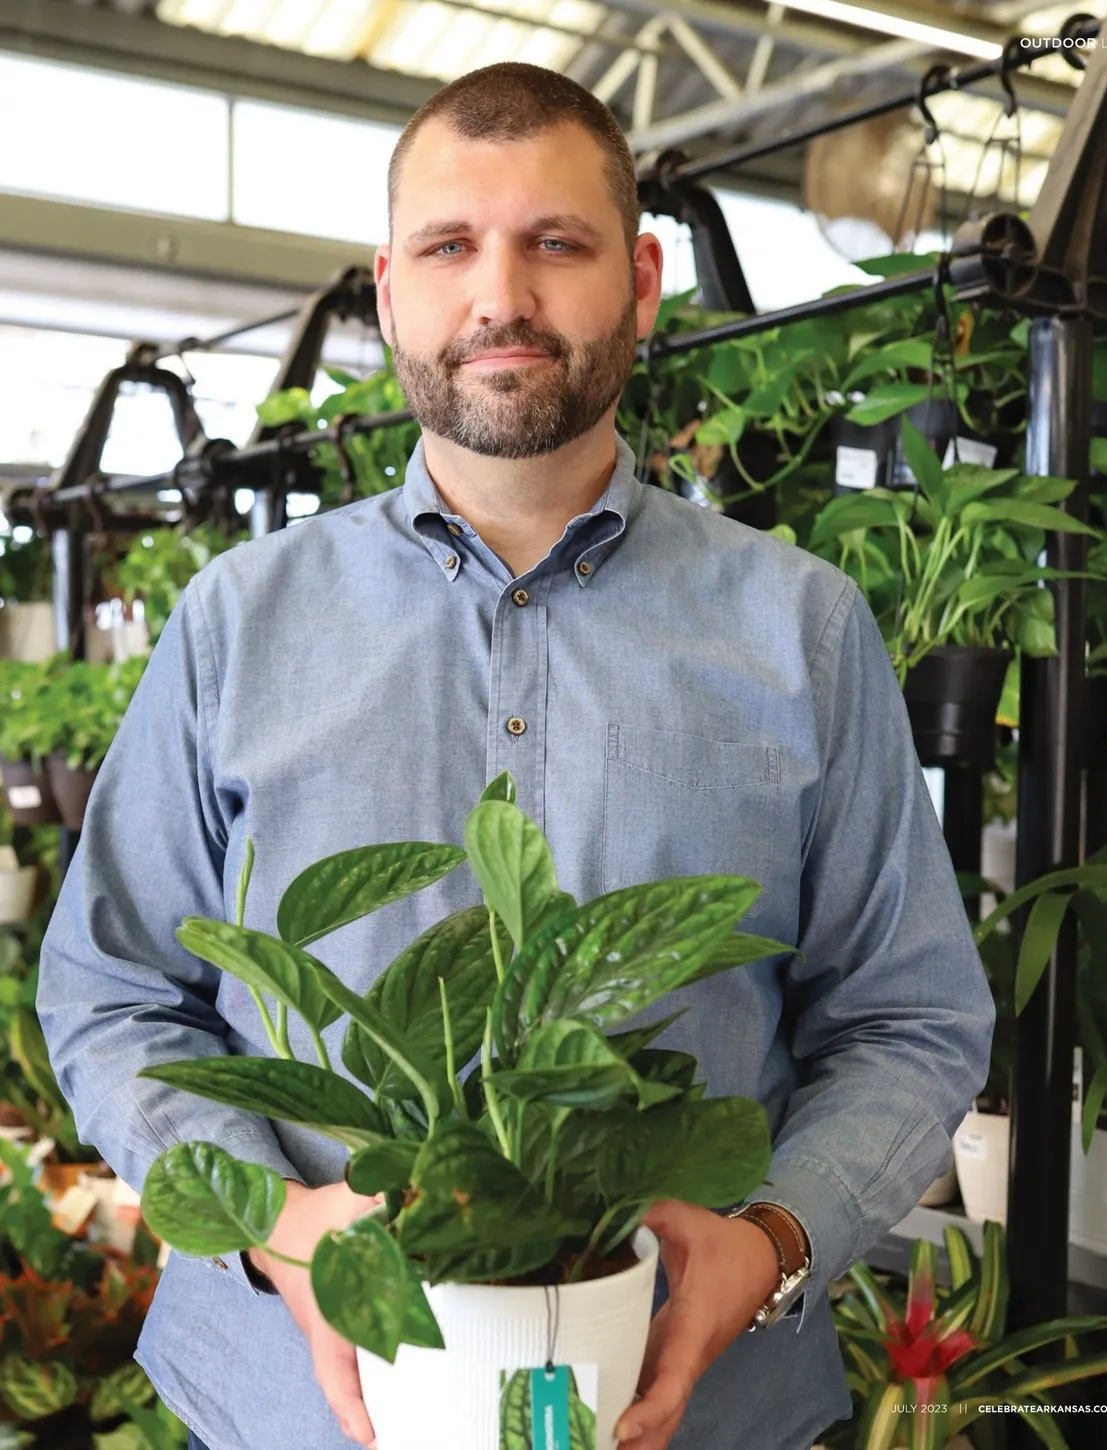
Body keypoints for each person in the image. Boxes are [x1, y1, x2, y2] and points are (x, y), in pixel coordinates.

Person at [37, 61, 994, 1450]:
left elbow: (911, 1016)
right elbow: (113, 991)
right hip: (291, 1411)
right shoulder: (238, 623)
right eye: (449, 246)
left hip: (700, 1407)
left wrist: (774, 1238)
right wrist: (277, 1224)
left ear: (642, 282)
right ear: (387, 292)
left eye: (556, 241)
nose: (501, 296)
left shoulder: (803, 629)